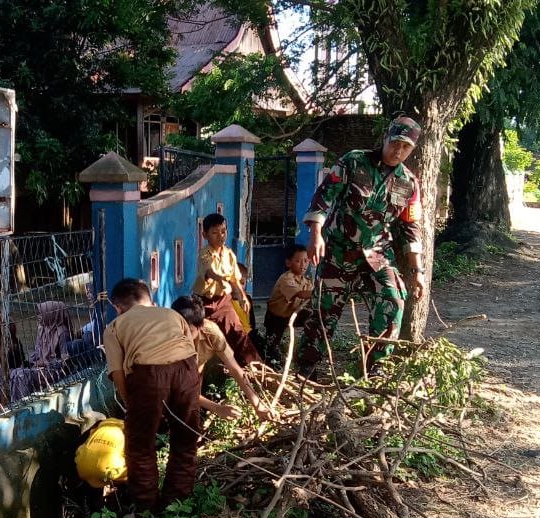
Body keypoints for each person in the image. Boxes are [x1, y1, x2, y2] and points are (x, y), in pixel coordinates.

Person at [300, 116, 428, 374]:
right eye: (395, 143)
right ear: (386, 138)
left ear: (412, 149)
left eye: (406, 147)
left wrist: (418, 272)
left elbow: (411, 228)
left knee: (393, 300)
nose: (398, 151)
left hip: (377, 255)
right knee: (324, 313)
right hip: (338, 252)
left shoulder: (409, 183)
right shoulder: (354, 162)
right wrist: (316, 234)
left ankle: (376, 366)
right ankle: (307, 366)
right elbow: (324, 196)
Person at [103, 278, 201, 513]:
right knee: (186, 441)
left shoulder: (115, 327)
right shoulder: (172, 314)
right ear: (149, 300)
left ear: (117, 307)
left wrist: (132, 406)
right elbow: (191, 353)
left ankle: (146, 509)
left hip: (147, 376)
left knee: (140, 446)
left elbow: (118, 374)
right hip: (187, 371)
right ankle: (176, 505)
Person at [171, 294, 271, 422]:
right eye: (178, 329)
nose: (182, 336)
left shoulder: (211, 332)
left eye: (188, 331)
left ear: (200, 326)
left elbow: (235, 369)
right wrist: (217, 408)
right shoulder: (167, 338)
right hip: (170, 385)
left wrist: (257, 405)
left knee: (192, 414)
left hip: (195, 379)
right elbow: (180, 387)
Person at [192, 213, 261, 366]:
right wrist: (220, 279)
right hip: (203, 303)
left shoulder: (229, 254)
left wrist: (242, 296)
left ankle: (256, 368)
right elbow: (209, 271)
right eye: (215, 233)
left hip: (223, 301)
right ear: (205, 235)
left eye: (223, 231)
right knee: (200, 340)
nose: (220, 236)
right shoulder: (204, 253)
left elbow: (234, 278)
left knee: (238, 332)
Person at [262, 246, 313, 365]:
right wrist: (320, 292)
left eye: (306, 261)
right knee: (271, 345)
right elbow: (301, 294)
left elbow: (309, 298)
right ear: (288, 263)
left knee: (312, 318)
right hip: (276, 317)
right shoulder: (286, 279)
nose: (303, 265)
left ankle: (306, 350)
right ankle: (270, 361)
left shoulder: (306, 281)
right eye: (298, 261)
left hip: (292, 314)